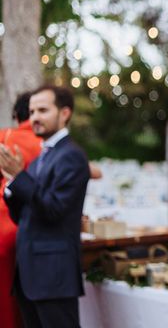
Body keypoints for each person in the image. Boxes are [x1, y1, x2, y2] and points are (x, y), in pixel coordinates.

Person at [0, 85, 91, 328]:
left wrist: (19, 177)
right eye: (32, 112)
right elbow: (23, 216)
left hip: (53, 274)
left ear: (64, 113)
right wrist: (12, 184)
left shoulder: (71, 156)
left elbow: (54, 210)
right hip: (30, 275)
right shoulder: (43, 156)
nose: (35, 118)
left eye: (43, 110)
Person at [0, 92, 42, 328]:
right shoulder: (48, 144)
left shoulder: (6, 138)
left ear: (17, 115)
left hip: (4, 227)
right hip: (37, 229)